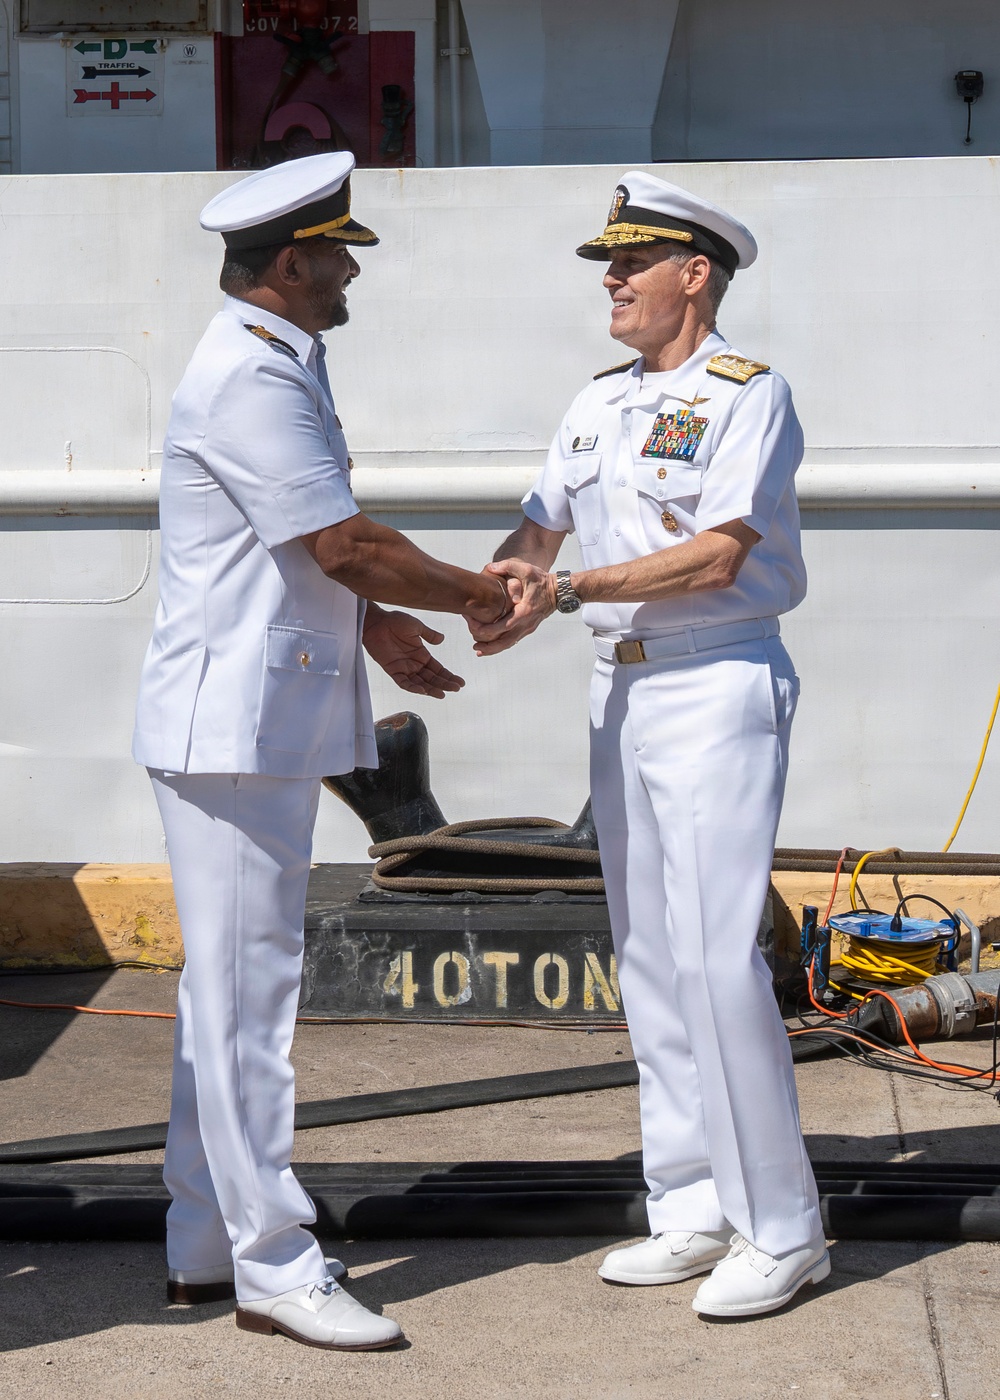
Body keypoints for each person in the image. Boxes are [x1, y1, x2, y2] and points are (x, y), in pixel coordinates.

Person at [132, 151, 510, 1351]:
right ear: (292, 263)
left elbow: (295, 548)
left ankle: (204, 1237)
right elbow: (343, 542)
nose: (351, 274)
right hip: (235, 730)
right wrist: (478, 593)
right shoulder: (253, 372)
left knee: (223, 997)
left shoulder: (276, 356)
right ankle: (274, 1263)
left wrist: (381, 625)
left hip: (244, 722)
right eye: (338, 256)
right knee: (247, 1003)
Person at [472, 171, 827, 1318]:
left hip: (714, 677)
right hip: (617, 688)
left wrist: (566, 587)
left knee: (717, 959)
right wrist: (481, 592)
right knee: (652, 959)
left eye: (631, 261)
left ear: (696, 273)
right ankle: (690, 1203)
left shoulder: (747, 394)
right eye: (607, 263)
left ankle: (784, 1226)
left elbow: (720, 551)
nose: (612, 280)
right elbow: (536, 530)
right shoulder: (596, 404)